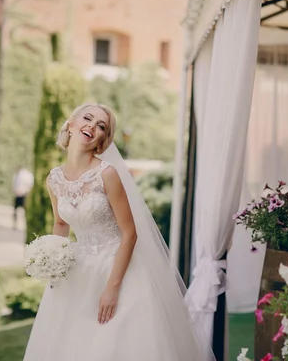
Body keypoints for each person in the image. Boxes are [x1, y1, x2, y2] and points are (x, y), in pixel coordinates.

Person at [23, 103, 212, 360]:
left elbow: (130, 233)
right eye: (87, 118)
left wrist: (112, 288)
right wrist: (54, 260)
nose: (93, 126)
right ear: (71, 124)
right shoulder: (54, 178)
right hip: (77, 271)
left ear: (102, 141)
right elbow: (61, 223)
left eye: (101, 126)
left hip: (117, 267)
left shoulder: (107, 174)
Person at [12, 165, 34, 230]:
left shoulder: (26, 175)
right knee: (15, 211)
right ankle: (15, 224)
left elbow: (30, 184)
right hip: (17, 194)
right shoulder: (16, 175)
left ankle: (26, 224)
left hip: (24, 195)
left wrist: (25, 191)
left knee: (25, 211)